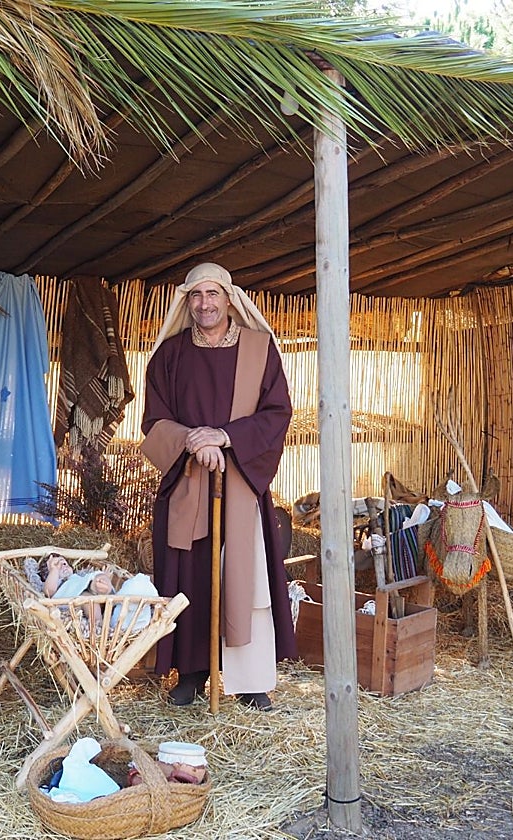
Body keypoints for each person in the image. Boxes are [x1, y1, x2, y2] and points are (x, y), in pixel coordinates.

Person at [141, 262, 295, 710]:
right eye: (196, 295)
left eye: (213, 294)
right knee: (190, 573)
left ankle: (248, 681)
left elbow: (276, 414)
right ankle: (190, 672)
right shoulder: (169, 355)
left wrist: (225, 439)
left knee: (243, 576)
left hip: (241, 485)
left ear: (230, 298)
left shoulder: (259, 350)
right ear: (187, 302)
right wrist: (192, 441)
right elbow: (154, 422)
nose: (205, 304)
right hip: (189, 480)